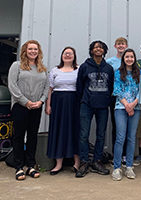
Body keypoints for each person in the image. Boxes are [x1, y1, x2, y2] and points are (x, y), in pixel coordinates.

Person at [8, 40, 48, 180]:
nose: (33, 51)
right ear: (25, 50)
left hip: (37, 107)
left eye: (35, 49)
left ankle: (31, 165)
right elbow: (12, 86)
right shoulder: (17, 66)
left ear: (39, 51)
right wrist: (26, 102)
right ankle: (19, 166)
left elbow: (46, 87)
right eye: (30, 49)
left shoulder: (42, 68)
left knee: (32, 136)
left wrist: (41, 101)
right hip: (20, 106)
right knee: (18, 136)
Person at [75, 40, 114, 178]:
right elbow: (79, 86)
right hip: (86, 105)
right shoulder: (85, 67)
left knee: (101, 134)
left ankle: (97, 161)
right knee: (84, 134)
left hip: (103, 106)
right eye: (95, 47)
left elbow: (111, 87)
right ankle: (84, 162)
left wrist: (108, 101)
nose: (98, 49)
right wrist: (82, 101)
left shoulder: (108, 68)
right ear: (91, 50)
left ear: (104, 50)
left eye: (101, 47)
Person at [46, 47, 80, 175]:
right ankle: (58, 163)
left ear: (74, 56)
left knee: (74, 130)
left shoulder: (79, 69)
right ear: (62, 56)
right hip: (58, 104)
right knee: (58, 131)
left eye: (70, 53)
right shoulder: (55, 70)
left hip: (74, 103)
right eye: (65, 53)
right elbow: (50, 89)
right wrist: (48, 105)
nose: (67, 55)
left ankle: (76, 162)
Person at [111, 49, 141, 181]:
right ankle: (117, 168)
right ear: (123, 58)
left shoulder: (139, 73)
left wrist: (133, 104)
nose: (129, 59)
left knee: (131, 138)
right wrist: (126, 105)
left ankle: (129, 166)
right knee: (120, 137)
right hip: (120, 108)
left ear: (134, 59)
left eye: (131, 57)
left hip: (136, 108)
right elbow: (116, 90)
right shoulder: (118, 72)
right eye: (127, 57)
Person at [107, 37, 128, 165]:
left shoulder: (130, 60)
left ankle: (126, 154)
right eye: (119, 44)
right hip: (114, 97)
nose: (121, 46)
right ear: (115, 46)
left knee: (127, 126)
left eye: (123, 44)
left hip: (129, 98)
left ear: (126, 46)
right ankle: (117, 155)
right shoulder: (110, 62)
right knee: (116, 126)